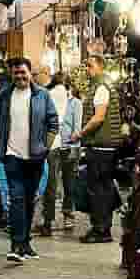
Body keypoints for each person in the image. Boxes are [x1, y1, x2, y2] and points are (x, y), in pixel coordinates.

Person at [0, 57, 58, 264]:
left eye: (22, 72)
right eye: (16, 73)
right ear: (11, 75)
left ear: (29, 72)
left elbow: (53, 123)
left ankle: (25, 243)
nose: (20, 76)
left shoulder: (42, 95)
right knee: (16, 198)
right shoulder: (4, 96)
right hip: (11, 156)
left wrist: (45, 147)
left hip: (35, 157)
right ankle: (16, 244)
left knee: (29, 199)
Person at [78, 50, 124, 243]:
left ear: (100, 66)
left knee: (99, 189)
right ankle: (101, 227)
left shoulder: (102, 87)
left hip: (101, 146)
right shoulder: (101, 85)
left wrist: (80, 133)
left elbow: (98, 118)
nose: (87, 70)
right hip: (103, 145)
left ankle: (101, 229)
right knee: (102, 187)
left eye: (90, 66)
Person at [36, 66, 81, 235]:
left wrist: (73, 142)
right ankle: (48, 219)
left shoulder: (73, 102)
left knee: (68, 183)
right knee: (51, 183)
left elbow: (76, 127)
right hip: (55, 145)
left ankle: (67, 213)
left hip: (68, 146)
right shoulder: (51, 96)